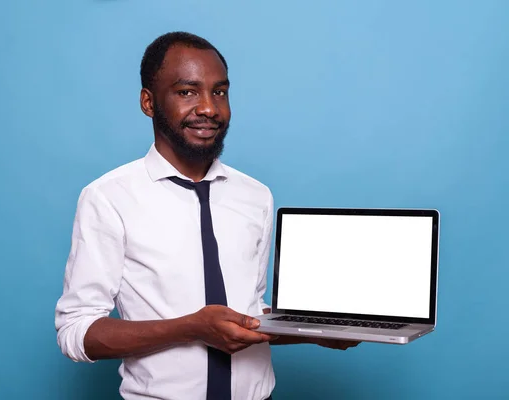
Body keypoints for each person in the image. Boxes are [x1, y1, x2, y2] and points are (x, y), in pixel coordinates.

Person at [55, 31, 359, 400]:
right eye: (187, 92)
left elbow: (248, 313)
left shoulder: (255, 195)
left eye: (219, 92)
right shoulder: (108, 198)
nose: (209, 109)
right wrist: (191, 328)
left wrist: (315, 330)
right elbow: (77, 331)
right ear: (148, 102)